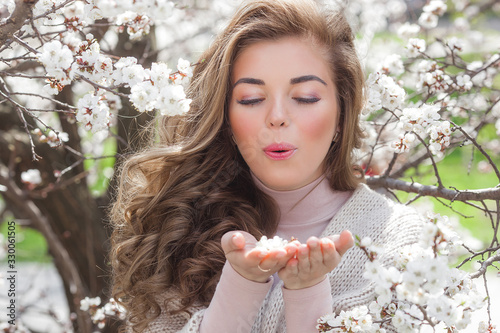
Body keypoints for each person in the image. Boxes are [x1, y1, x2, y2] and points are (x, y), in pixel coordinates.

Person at [109, 0, 424, 332]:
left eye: (305, 97)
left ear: (342, 116)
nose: (276, 117)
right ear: (226, 118)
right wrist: (241, 284)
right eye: (251, 100)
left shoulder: (398, 243)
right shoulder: (181, 228)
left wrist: (308, 292)